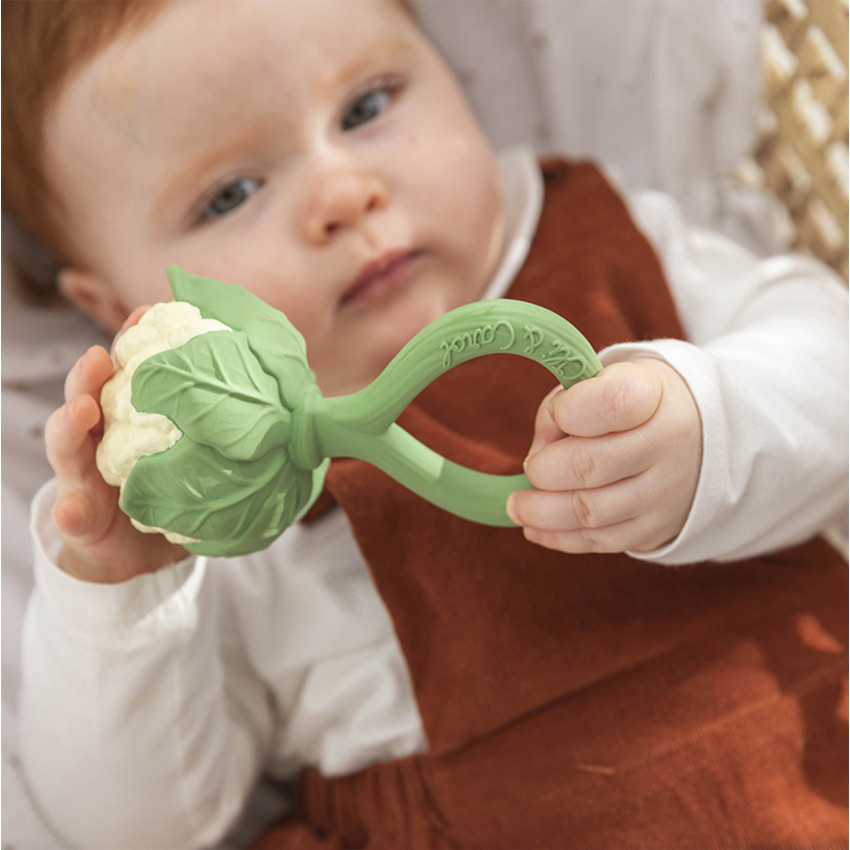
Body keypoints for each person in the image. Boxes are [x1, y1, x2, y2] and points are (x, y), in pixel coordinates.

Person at [2, 1, 847, 847]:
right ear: (117, 307)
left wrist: (713, 422)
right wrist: (120, 598)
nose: (342, 193)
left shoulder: (609, 236)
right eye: (230, 195)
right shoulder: (206, 513)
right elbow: (134, 828)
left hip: (798, 743)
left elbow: (829, 368)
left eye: (367, 108)